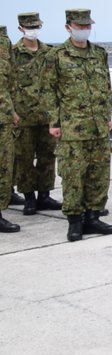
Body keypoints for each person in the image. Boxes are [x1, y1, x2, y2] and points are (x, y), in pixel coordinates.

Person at [44, 8, 112, 241]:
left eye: (87, 26)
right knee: (73, 176)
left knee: (99, 174)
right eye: (80, 26)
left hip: (98, 127)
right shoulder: (56, 55)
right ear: (68, 27)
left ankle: (93, 217)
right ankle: (75, 221)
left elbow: (106, 87)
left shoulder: (99, 53)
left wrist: (107, 116)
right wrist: (54, 122)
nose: (84, 30)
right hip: (72, 127)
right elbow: (49, 91)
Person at [12, 12, 62, 215]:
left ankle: (44, 195)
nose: (33, 30)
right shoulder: (13, 54)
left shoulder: (50, 53)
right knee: (23, 158)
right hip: (23, 117)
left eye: (36, 26)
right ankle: (29, 197)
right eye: (29, 27)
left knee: (47, 157)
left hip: (46, 116)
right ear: (21, 29)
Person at [0, 25, 17, 233]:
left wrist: (12, 111)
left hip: (3, 115)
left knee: (4, 166)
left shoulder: (4, 42)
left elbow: (10, 81)